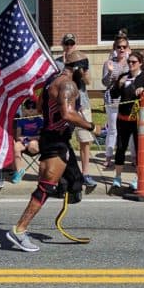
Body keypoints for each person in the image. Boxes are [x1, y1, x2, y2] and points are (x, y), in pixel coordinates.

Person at [6, 52, 101, 252]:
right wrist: (90, 126)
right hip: (55, 141)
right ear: (78, 69)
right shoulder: (68, 85)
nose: (86, 76)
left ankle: (64, 186)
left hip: (58, 139)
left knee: (76, 182)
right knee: (45, 187)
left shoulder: (52, 80)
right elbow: (67, 113)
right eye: (85, 71)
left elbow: (41, 106)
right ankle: (19, 230)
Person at [110, 51, 144, 190]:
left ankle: (138, 178)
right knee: (120, 147)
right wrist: (118, 84)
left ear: (140, 64)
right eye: (129, 62)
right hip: (123, 118)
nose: (130, 64)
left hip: (139, 119)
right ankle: (117, 177)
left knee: (139, 148)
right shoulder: (123, 76)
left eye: (134, 62)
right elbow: (113, 95)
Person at [55, 35, 97, 187]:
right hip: (66, 106)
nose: (69, 45)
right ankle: (62, 173)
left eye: (71, 43)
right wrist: (66, 65)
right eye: (66, 43)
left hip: (82, 104)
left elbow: (88, 82)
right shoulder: (58, 62)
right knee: (62, 141)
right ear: (62, 45)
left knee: (85, 140)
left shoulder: (82, 60)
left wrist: (82, 70)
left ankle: (85, 173)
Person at [101, 35, 131, 168]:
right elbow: (105, 82)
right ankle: (108, 156)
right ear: (115, 48)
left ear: (128, 48)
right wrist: (110, 73)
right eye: (119, 47)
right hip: (113, 100)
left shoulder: (132, 62)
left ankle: (133, 157)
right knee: (113, 129)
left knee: (129, 129)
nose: (122, 49)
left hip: (128, 100)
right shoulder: (109, 63)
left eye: (124, 47)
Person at [11, 98, 42, 184]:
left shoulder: (40, 120)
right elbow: (18, 135)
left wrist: (29, 138)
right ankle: (19, 171)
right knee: (16, 146)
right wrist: (24, 139)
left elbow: (40, 136)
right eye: (28, 107)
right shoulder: (21, 120)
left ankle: (42, 170)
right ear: (24, 109)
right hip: (24, 141)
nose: (31, 109)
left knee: (32, 145)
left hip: (35, 143)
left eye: (33, 107)